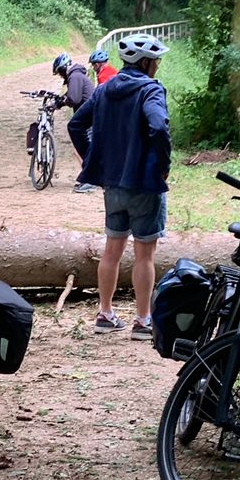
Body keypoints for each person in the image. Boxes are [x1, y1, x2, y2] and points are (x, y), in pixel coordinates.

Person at [68, 33, 171, 337]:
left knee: (112, 250)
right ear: (145, 62)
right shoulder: (150, 90)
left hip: (112, 184)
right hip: (144, 184)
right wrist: (162, 166)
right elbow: (158, 126)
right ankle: (143, 320)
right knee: (144, 255)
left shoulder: (104, 90)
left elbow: (76, 124)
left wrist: (93, 160)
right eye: (156, 60)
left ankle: (105, 314)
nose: (158, 65)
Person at [53, 52, 97, 191]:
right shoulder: (76, 75)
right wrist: (60, 101)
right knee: (87, 145)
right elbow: (72, 94)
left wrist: (63, 102)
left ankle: (91, 179)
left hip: (90, 116)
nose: (61, 76)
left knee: (84, 142)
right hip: (89, 115)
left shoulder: (75, 76)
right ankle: (90, 176)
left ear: (64, 68)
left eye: (60, 72)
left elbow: (74, 98)